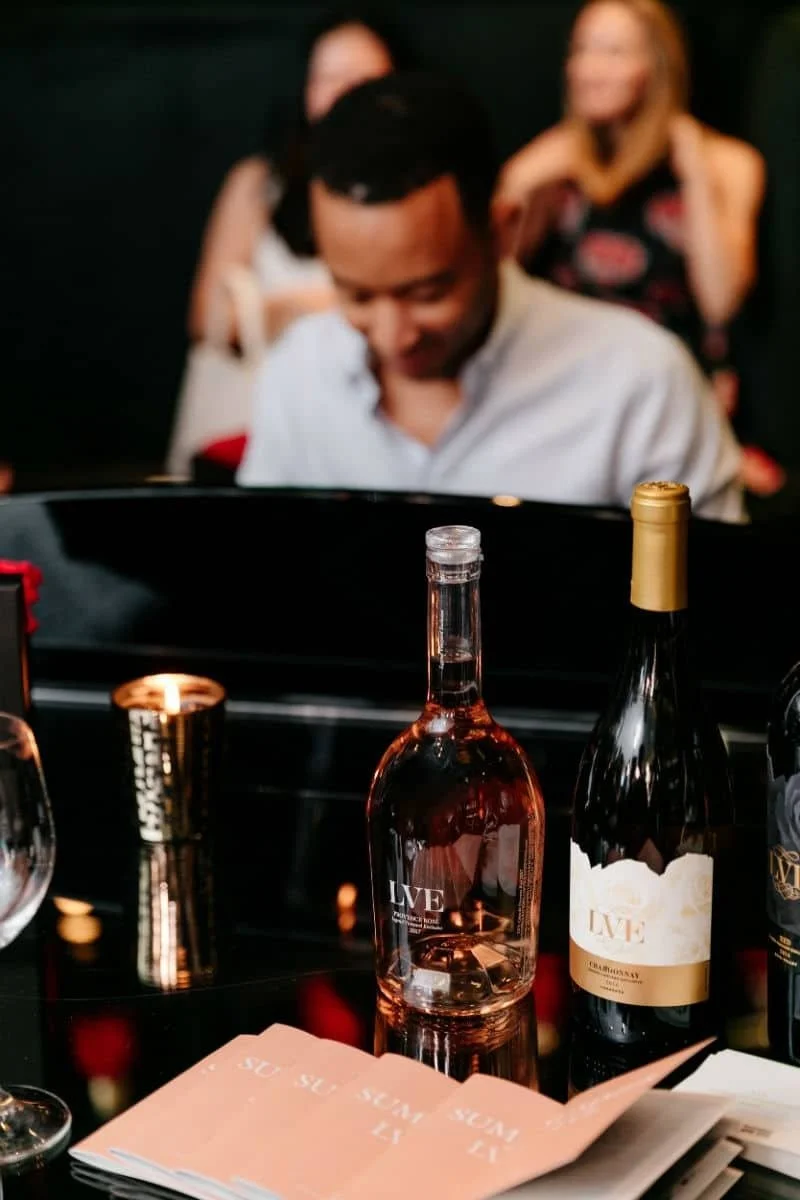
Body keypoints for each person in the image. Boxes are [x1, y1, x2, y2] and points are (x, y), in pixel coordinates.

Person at [236, 70, 745, 523]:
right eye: (357, 295)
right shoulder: (298, 374)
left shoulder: (639, 385)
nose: (395, 336)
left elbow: (725, 603)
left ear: (503, 231)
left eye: (428, 292)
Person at [493, 0, 771, 483]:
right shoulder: (557, 159)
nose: (589, 69)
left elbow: (722, 301)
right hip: (566, 391)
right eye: (581, 50)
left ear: (658, 67)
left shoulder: (726, 162)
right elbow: (493, 279)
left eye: (614, 51)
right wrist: (520, 182)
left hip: (672, 396)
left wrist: (696, 177)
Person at [187, 8, 405, 346]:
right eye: (328, 78)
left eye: (362, 79)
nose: (344, 95)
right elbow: (206, 319)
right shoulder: (260, 183)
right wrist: (297, 309)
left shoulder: (420, 188)